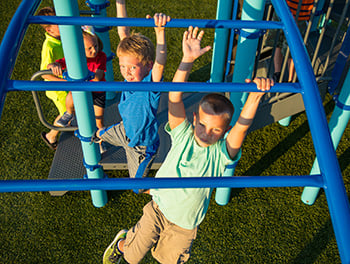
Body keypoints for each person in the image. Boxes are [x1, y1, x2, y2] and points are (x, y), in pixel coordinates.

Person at [102, 26, 273, 264]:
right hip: (158, 207)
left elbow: (242, 128)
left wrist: (254, 98)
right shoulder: (183, 134)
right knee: (131, 258)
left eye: (216, 130)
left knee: (167, 260)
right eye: (203, 125)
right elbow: (174, 96)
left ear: (224, 132)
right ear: (195, 119)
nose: (207, 133)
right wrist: (187, 59)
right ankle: (123, 242)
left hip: (185, 225)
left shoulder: (220, 154)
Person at [93, 0, 170, 180]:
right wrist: (120, 3)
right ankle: (95, 155)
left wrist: (160, 32)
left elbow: (160, 63)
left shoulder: (150, 85)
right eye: (122, 66)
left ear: (147, 66)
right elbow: (123, 33)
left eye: (132, 68)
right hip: (124, 130)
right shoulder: (130, 74)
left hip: (142, 146)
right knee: (99, 133)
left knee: (137, 185)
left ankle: (160, 194)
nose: (126, 72)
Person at [47, 27, 107, 131]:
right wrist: (53, 65)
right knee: (71, 95)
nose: (94, 50)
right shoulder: (75, 58)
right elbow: (54, 64)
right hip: (82, 89)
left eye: (95, 46)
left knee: (99, 121)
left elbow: (97, 78)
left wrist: (82, 78)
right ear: (79, 49)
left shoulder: (101, 56)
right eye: (89, 48)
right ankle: (69, 113)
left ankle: (102, 141)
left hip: (97, 91)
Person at [37, 7, 66, 150]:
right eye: (59, 25)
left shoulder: (62, 38)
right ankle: (51, 136)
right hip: (58, 88)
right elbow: (44, 73)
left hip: (66, 84)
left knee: (71, 110)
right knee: (66, 113)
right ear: (49, 31)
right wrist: (64, 83)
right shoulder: (49, 46)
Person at [265, 0, 314, 82]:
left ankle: (289, 78)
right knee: (280, 44)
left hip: (295, 14)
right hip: (286, 12)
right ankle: (281, 74)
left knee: (290, 48)